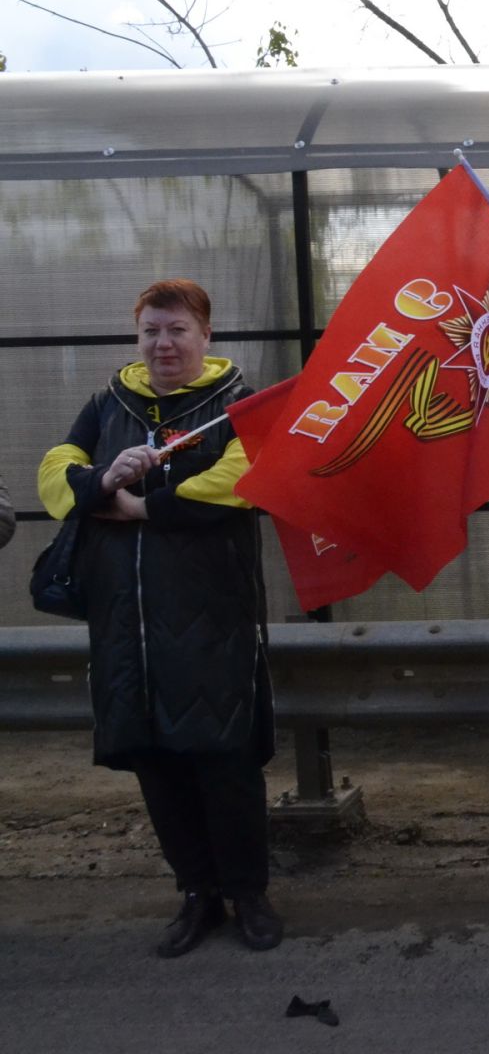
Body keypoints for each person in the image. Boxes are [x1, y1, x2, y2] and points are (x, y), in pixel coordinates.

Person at [36, 278, 279, 957]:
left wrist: (145, 507)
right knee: (155, 761)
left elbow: (242, 479)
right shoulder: (109, 403)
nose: (163, 343)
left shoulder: (239, 404)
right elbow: (56, 472)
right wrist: (103, 479)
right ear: (137, 336)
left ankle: (249, 894)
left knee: (221, 757)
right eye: (151, 331)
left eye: (177, 330)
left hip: (212, 616)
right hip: (124, 623)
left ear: (206, 334)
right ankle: (197, 894)